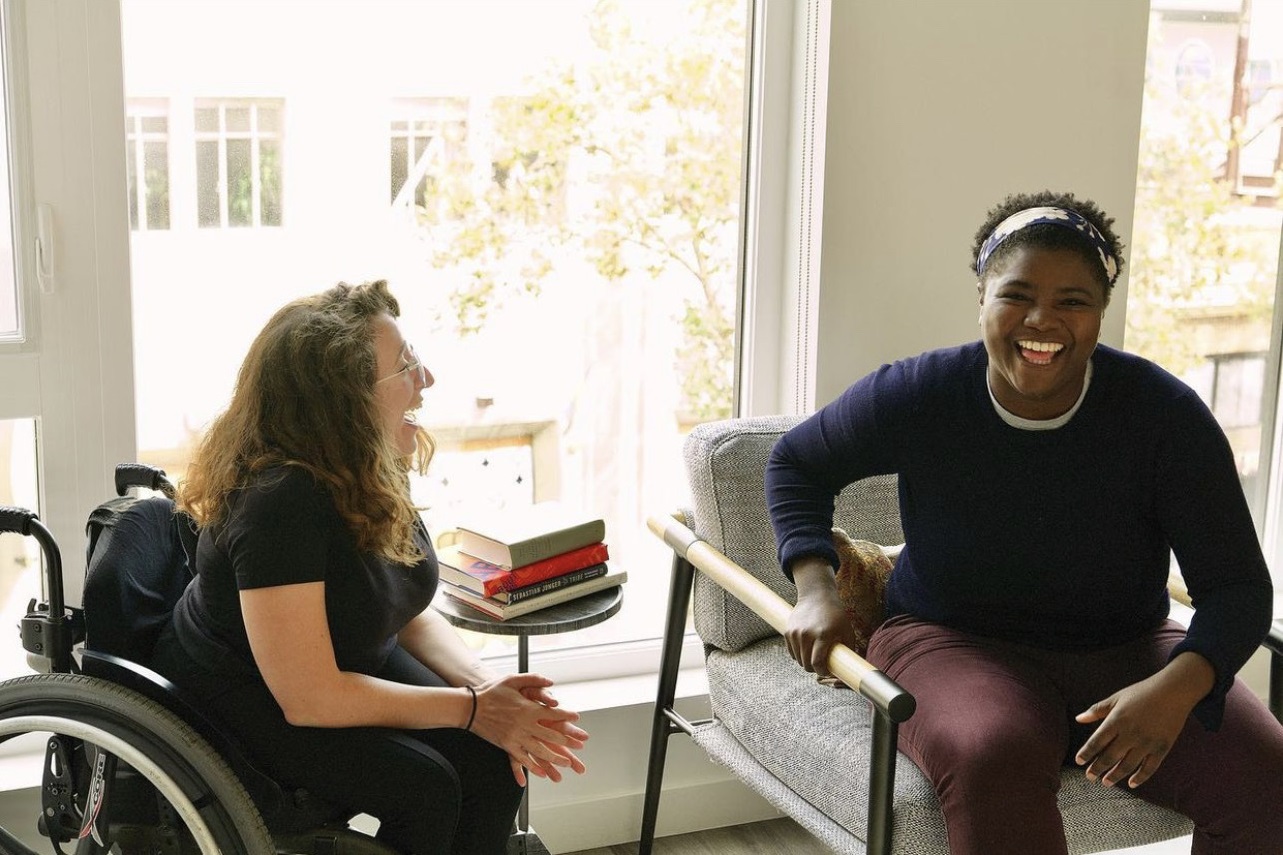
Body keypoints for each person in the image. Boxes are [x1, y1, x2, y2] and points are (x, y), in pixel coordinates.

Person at [765, 191, 1283, 854]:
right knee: (992, 752)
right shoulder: (920, 393)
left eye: (1072, 300)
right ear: (981, 296)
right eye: (1016, 294)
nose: (1042, 320)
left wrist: (1175, 688)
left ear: (1099, 313)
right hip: (947, 641)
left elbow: (1237, 586)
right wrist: (814, 587)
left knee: (1267, 782)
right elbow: (795, 463)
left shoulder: (1163, 419)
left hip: (1127, 646)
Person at [152, 279, 588, 855]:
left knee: (491, 760)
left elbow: (403, 610)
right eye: (405, 366)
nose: (425, 380)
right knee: (426, 788)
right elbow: (310, 697)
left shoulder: (363, 465)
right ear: (343, 400)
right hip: (250, 695)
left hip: (337, 668)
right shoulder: (280, 504)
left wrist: (486, 688)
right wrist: (474, 709)